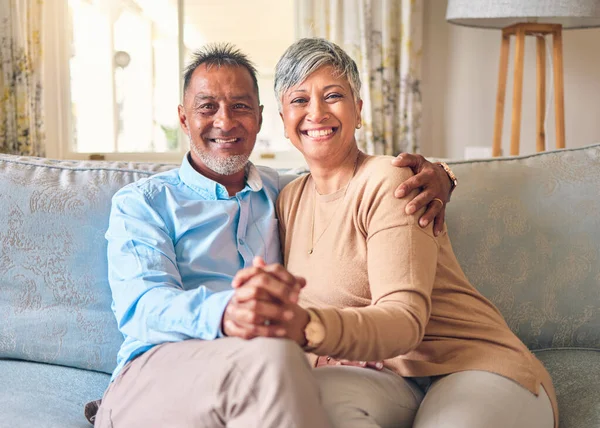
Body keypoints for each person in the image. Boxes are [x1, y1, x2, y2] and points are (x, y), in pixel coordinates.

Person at [91, 43, 454, 427]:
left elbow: (344, 191)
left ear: (262, 119)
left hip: (269, 370)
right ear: (184, 119)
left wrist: (442, 178)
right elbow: (143, 306)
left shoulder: (282, 193)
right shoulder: (143, 203)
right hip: (160, 370)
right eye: (207, 107)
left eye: (241, 106)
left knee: (279, 362)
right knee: (274, 358)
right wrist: (228, 313)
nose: (225, 121)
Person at [250, 38, 556, 428]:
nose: (316, 112)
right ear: (282, 119)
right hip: (391, 380)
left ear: (358, 111)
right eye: (299, 100)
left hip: (472, 364)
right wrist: (318, 351)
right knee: (300, 402)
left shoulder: (389, 179)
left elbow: (404, 320)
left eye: (333, 96)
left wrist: (309, 327)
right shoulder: (287, 199)